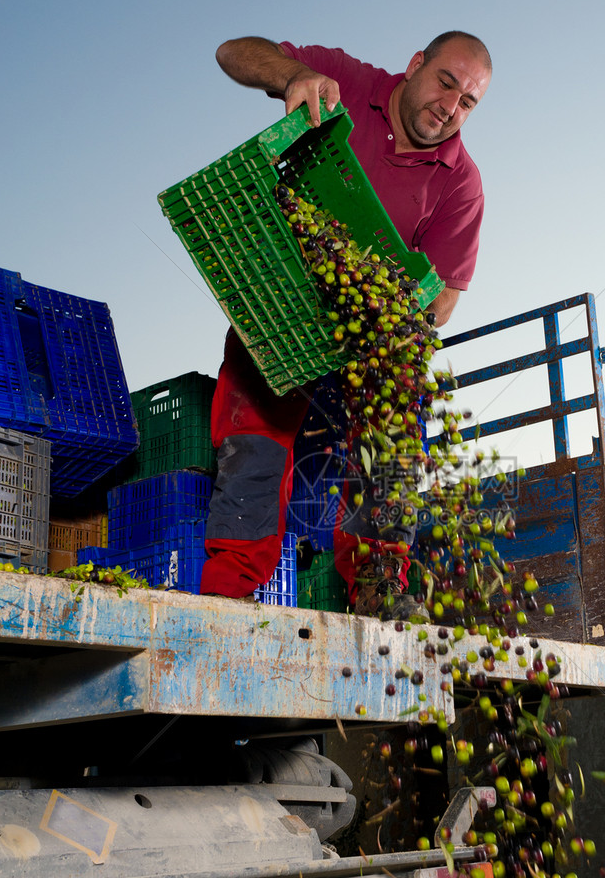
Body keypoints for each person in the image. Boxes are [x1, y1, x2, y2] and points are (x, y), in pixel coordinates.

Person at [200, 32, 492, 610]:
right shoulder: (346, 83)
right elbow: (231, 50)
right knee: (253, 444)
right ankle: (227, 594)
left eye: (468, 102)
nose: (450, 106)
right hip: (284, 308)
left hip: (363, 344)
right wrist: (291, 78)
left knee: (395, 434)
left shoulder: (460, 182)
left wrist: (391, 321)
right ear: (416, 65)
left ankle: (381, 585)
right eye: (446, 83)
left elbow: (442, 303)